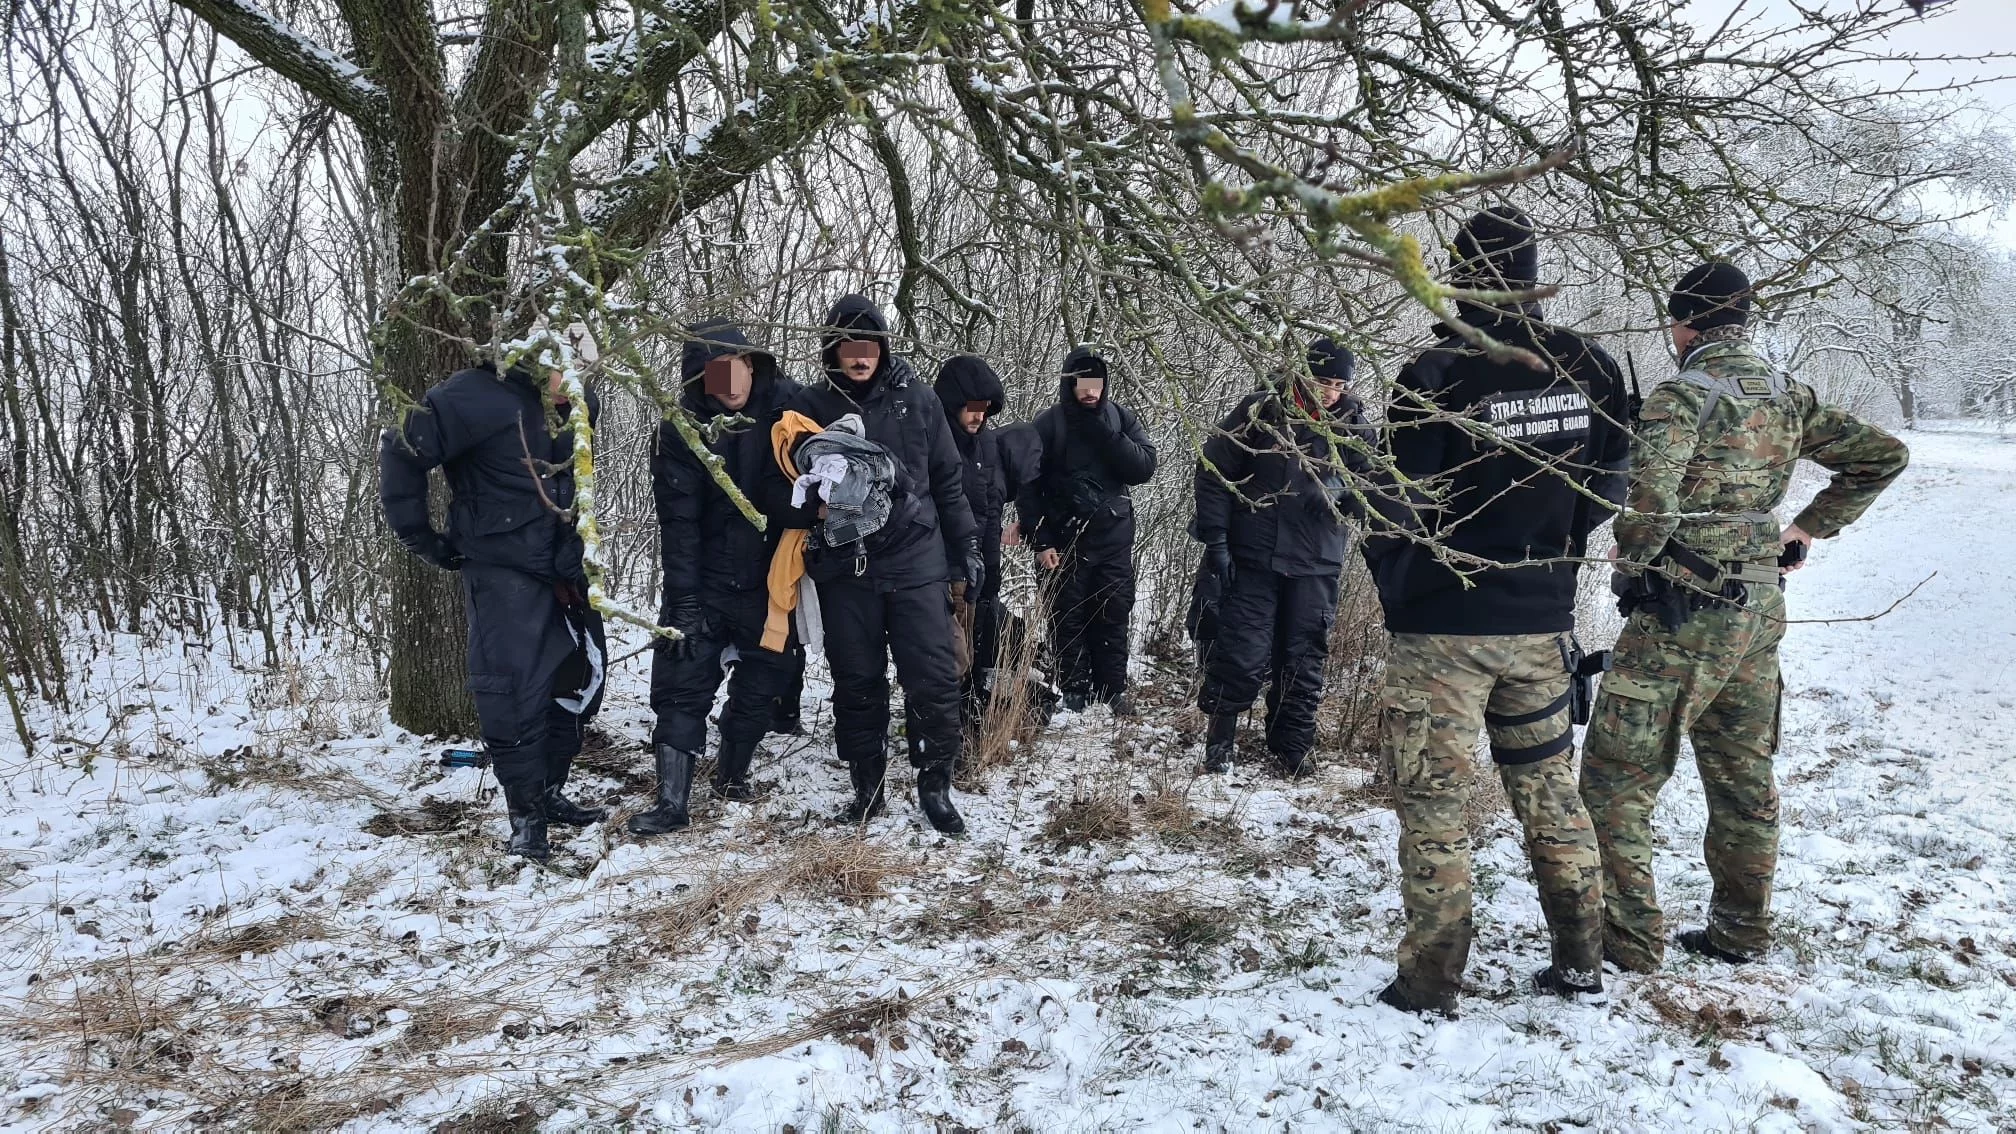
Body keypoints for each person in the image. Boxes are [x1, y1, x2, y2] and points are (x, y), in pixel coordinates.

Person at [1579, 262, 1909, 972]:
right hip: (1758, 614)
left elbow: (1651, 504)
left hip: (1682, 613)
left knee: (1615, 776)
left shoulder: (1683, 395)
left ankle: (1629, 942)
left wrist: (1632, 564)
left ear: (1686, 323)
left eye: (1673, 323)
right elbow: (1883, 456)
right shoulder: (1789, 395)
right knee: (1742, 777)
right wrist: (1807, 527)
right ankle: (1740, 932)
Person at [1365, 206, 1631, 1016]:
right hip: (1543, 624)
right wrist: (1555, 544)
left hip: (1445, 630)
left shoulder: (1438, 374)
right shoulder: (1592, 367)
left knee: (1436, 806)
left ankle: (1430, 980)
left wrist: (1393, 564)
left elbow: (1399, 509)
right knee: (1552, 794)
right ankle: (1582, 958)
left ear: (1460, 274)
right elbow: (1610, 484)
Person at [379, 326, 608, 862]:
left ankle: (550, 792)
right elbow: (402, 447)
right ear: (537, 361)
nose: (574, 386)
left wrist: (581, 544)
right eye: (565, 374)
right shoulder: (473, 395)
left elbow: (572, 482)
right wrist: (423, 538)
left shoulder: (579, 402)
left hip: (564, 569)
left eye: (584, 376)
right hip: (501, 568)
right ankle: (525, 817)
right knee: (512, 693)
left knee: (574, 682)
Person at [783, 295, 981, 834]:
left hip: (917, 559)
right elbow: (784, 484)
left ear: (882, 348)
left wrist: (967, 550)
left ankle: (935, 785)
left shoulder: (917, 400)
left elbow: (948, 481)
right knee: (856, 681)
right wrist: (811, 505)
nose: (860, 355)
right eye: (848, 346)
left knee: (933, 678)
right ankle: (866, 789)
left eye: (868, 345)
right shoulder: (809, 406)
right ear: (833, 350)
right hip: (845, 567)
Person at [631, 320, 804, 836]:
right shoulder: (680, 429)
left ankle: (732, 774)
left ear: (752, 365)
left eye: (736, 371)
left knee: (763, 679)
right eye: (715, 376)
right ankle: (671, 800)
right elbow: (678, 522)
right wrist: (682, 597)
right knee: (680, 675)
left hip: (770, 577)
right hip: (703, 577)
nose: (729, 385)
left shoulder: (787, 413)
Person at [1194, 339, 1374, 777]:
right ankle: (1220, 740)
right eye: (1322, 381)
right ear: (1302, 375)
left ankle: (1291, 746)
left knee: (1304, 657)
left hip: (1317, 561)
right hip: (1254, 555)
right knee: (1243, 649)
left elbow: (1375, 485)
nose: (1330, 392)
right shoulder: (1260, 412)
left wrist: (1339, 491)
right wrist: (1216, 540)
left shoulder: (1355, 428)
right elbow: (1213, 470)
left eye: (1338, 384)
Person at [1021, 347, 1158, 715]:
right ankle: (1074, 689)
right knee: (1067, 615)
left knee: (1114, 611)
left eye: (1096, 382)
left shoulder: (1119, 418)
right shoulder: (1048, 424)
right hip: (1064, 542)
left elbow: (1145, 467)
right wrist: (1041, 540)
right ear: (1069, 383)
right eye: (1082, 383)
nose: (1090, 391)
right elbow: (1028, 487)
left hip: (1114, 539)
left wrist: (1106, 436)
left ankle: (1112, 689)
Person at [932, 355, 1040, 725]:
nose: (979, 417)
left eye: (986, 410)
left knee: (973, 651)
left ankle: (967, 721)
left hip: (978, 569)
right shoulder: (934, 443)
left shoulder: (987, 447)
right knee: (950, 657)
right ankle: (945, 729)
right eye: (972, 409)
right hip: (943, 568)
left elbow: (991, 510)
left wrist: (990, 566)